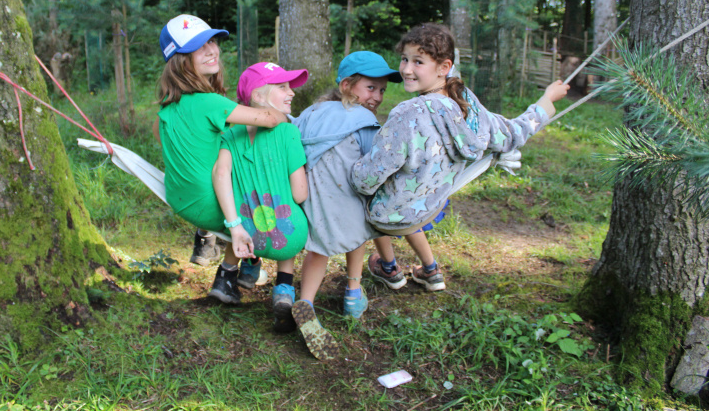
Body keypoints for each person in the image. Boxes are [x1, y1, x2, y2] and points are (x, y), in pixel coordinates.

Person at [351, 23, 570, 292]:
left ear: (444, 67)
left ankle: (385, 269)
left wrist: (351, 166)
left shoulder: (407, 115)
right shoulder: (467, 104)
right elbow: (511, 133)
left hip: (389, 215)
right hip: (429, 206)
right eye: (405, 59)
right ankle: (429, 270)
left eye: (418, 61)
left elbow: (364, 181)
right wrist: (546, 101)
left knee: (357, 189)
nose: (406, 69)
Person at [288, 51, 401, 360]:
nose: (377, 96)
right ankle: (353, 293)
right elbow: (373, 165)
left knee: (318, 250)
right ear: (348, 85)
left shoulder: (313, 111)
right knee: (361, 229)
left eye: (382, 90)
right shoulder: (365, 121)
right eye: (371, 88)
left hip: (312, 199)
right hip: (348, 199)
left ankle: (306, 301)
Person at [154, 14, 288, 271]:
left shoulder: (167, 105)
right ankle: (248, 265)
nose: (211, 50)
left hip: (180, 198)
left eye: (212, 41)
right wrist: (287, 117)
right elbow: (270, 119)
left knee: (229, 144)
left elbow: (158, 134)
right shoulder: (210, 103)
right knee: (256, 144)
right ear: (180, 61)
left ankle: (207, 241)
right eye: (199, 46)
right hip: (211, 205)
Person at [212, 62, 309, 331]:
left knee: (250, 208)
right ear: (257, 95)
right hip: (287, 237)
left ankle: (231, 275)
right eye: (282, 87)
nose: (291, 92)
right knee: (288, 214)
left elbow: (221, 173)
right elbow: (300, 193)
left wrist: (233, 223)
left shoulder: (229, 135)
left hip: (245, 234)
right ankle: (284, 290)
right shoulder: (288, 131)